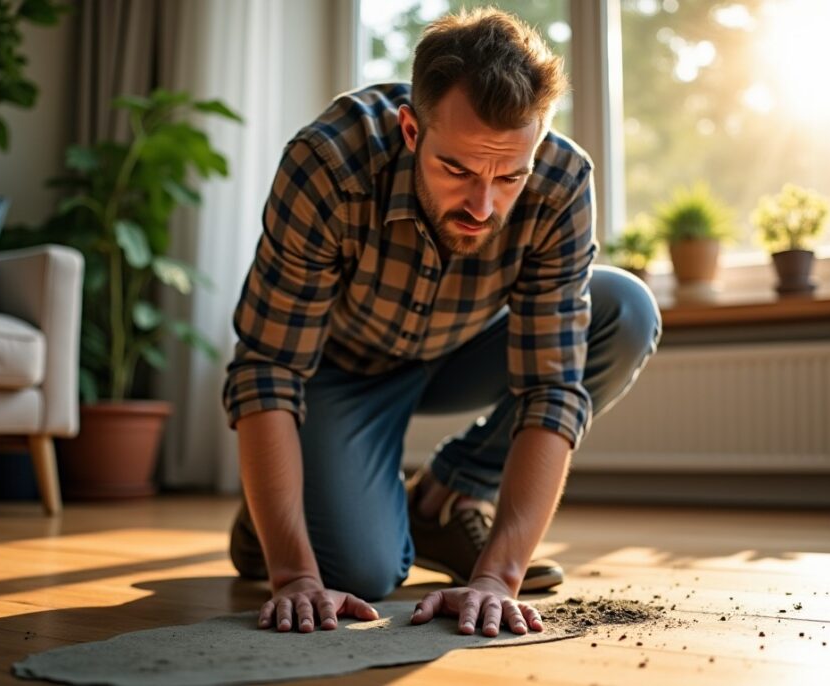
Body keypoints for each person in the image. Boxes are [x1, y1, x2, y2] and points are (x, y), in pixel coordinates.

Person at [222, 8, 660, 639]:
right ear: (410, 129)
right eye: (457, 170)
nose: (484, 206)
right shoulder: (329, 162)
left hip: (464, 351)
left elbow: (551, 387)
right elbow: (268, 368)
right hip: (340, 374)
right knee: (363, 572)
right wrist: (293, 575)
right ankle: (274, 513)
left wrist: (496, 578)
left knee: (624, 309)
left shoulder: (561, 181)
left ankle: (444, 495)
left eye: (509, 176)